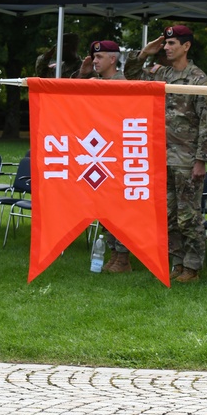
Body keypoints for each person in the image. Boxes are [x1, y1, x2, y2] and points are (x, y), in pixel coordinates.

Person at [125, 25, 207, 283]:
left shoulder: (198, 80)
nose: (166, 47)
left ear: (186, 46)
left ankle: (193, 267)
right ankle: (177, 262)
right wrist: (144, 53)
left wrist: (201, 161)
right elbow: (131, 76)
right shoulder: (161, 74)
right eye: (165, 43)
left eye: (172, 43)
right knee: (168, 215)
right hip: (162, 157)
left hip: (187, 161)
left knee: (189, 216)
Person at [74, 40, 132, 272]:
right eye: (93, 57)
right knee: (105, 207)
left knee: (120, 209)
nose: (95, 61)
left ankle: (124, 257)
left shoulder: (123, 84)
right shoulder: (93, 82)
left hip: (116, 155)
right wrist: (82, 74)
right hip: (97, 154)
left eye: (99, 57)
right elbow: (68, 99)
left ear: (113, 59)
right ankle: (113, 253)